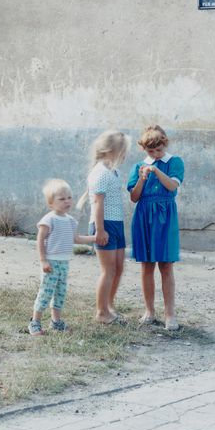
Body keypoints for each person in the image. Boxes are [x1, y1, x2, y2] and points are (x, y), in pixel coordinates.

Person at [127, 124, 184, 331]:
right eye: (151, 152)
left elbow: (172, 186)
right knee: (146, 266)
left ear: (165, 144)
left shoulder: (175, 162)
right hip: (144, 216)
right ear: (144, 150)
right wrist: (142, 179)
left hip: (165, 216)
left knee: (166, 265)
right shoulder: (138, 167)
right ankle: (149, 311)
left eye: (159, 150)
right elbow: (134, 197)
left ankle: (170, 314)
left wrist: (157, 170)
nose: (156, 154)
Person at [30, 179, 96, 336]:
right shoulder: (49, 219)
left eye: (69, 198)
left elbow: (77, 239)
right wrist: (43, 260)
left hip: (64, 262)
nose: (67, 201)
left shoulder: (70, 221)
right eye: (62, 199)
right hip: (51, 262)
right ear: (51, 203)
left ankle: (56, 322)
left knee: (60, 292)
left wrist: (94, 238)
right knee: (46, 291)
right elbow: (40, 240)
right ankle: (35, 322)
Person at [85, 130, 131, 324]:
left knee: (119, 268)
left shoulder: (113, 171)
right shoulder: (100, 173)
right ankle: (101, 312)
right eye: (122, 150)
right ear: (112, 150)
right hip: (104, 224)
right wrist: (101, 229)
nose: (125, 154)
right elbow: (97, 203)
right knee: (108, 270)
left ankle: (109, 306)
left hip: (116, 224)